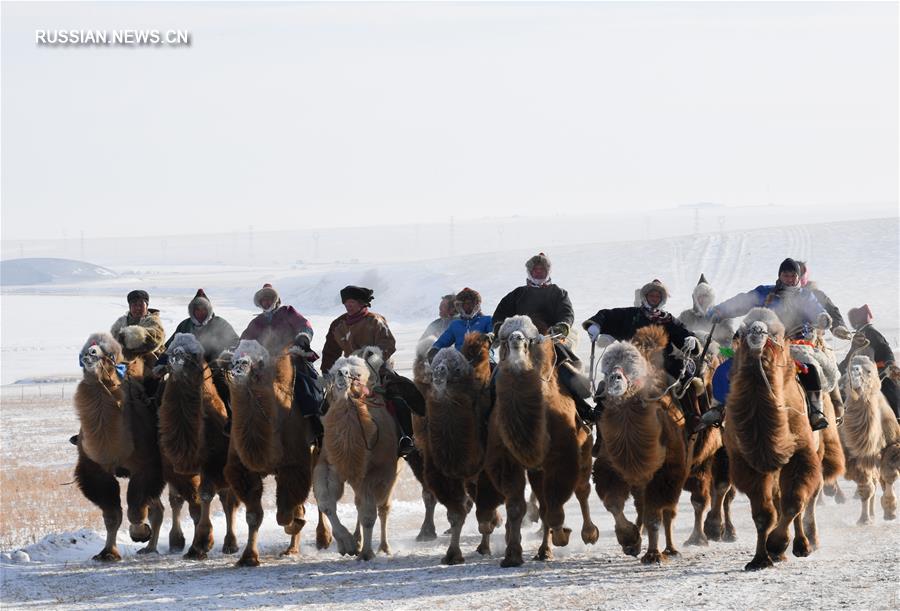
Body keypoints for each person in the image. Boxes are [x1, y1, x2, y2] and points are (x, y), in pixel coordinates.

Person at [705, 258, 832, 430]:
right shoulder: (765, 293)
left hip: (792, 344)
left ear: (798, 277)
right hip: (763, 343)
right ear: (779, 275)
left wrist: (821, 318)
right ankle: (718, 407)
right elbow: (742, 301)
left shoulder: (805, 297)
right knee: (728, 366)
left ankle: (816, 411)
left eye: (792, 275)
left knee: (809, 367)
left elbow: (815, 310)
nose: (789, 279)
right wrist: (719, 310)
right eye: (785, 275)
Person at [583, 279, 704, 430]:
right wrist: (596, 325)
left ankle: (693, 416)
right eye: (651, 295)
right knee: (610, 382)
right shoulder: (630, 314)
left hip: (661, 361)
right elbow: (607, 315)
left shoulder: (668, 320)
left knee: (685, 375)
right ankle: (600, 425)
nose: (654, 299)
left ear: (662, 299)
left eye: (657, 296)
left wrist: (690, 339)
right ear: (645, 297)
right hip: (630, 361)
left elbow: (682, 334)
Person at [492, 253, 593, 424]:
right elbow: (499, 315)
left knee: (563, 365)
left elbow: (566, 313)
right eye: (535, 269)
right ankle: (487, 413)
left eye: (542, 270)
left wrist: (562, 326)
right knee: (497, 374)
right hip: (519, 341)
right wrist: (500, 328)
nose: (538, 272)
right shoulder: (517, 294)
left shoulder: (558, 293)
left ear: (548, 271)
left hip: (548, 339)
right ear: (529, 271)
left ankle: (583, 409)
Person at [321, 285, 418, 457]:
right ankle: (323, 439)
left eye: (352, 302)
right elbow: (330, 351)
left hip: (378, 368)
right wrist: (327, 372)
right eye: (346, 303)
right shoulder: (339, 325)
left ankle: (406, 437)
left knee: (397, 397)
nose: (348, 306)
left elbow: (388, 345)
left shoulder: (375, 321)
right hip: (350, 370)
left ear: (361, 303)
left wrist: (370, 361)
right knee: (327, 401)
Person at [160, 289, 239, 414]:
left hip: (214, 367)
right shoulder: (185, 325)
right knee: (164, 389)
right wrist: (161, 363)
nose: (200, 312)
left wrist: (226, 355)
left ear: (209, 310)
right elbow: (171, 346)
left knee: (224, 388)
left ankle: (231, 419)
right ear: (192, 311)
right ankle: (159, 420)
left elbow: (235, 341)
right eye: (197, 309)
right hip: (187, 367)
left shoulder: (220, 323)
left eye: (203, 309)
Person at [839, 305, 898, 419]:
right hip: (862, 372)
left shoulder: (871, 332)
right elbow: (851, 356)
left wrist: (885, 364)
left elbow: (887, 353)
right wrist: (841, 367)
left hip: (878, 373)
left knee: (889, 397)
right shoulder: (861, 334)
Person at [427, 288, 493, 361]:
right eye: (462, 305)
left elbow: (495, 335)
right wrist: (434, 349)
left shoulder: (487, 320)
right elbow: (443, 341)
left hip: (484, 360)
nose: (466, 308)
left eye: (468, 304)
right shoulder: (456, 324)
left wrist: (490, 337)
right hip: (461, 363)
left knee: (499, 370)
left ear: (476, 305)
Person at [677, 274, 735, 346]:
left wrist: (719, 352)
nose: (702, 300)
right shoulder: (686, 317)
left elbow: (731, 343)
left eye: (705, 296)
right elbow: (675, 335)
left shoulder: (722, 317)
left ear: (711, 297)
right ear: (695, 299)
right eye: (699, 296)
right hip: (689, 354)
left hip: (716, 355)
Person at [798, 261, 852, 339]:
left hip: (812, 339)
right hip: (782, 339)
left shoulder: (817, 295)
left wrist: (838, 326)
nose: (791, 278)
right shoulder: (779, 293)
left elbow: (832, 311)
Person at [111, 289, 166, 362]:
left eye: (141, 305)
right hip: (121, 359)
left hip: (148, 360)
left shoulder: (153, 320)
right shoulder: (121, 321)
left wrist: (131, 336)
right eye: (134, 305)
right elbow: (111, 339)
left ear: (146, 306)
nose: (138, 308)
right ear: (130, 307)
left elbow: (155, 336)